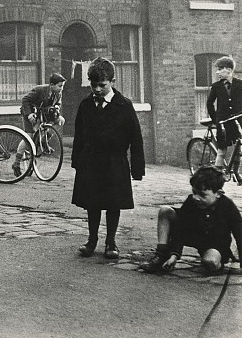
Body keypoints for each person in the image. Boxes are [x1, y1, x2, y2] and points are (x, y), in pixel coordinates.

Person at [71, 57, 145, 260]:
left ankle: (111, 241)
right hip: (91, 162)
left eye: (101, 85)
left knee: (113, 203)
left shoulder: (124, 105)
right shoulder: (86, 104)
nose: (96, 89)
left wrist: (137, 169)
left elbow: (136, 138)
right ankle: (92, 239)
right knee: (92, 203)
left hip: (115, 162)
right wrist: (77, 161)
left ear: (112, 81)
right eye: (93, 85)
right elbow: (79, 135)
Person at [140, 166, 241, 274]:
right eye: (194, 192)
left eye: (202, 195)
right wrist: (174, 255)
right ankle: (161, 255)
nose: (196, 198)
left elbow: (240, 233)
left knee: (210, 262)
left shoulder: (228, 207)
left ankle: (218, 263)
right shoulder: (191, 202)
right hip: (194, 234)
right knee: (165, 211)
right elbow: (180, 228)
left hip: (214, 242)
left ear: (218, 193)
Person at [13, 72, 66, 177]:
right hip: (31, 113)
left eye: (63, 86)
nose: (61, 88)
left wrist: (56, 109)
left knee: (61, 120)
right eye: (60, 86)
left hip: (43, 113)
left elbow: (58, 104)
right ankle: (16, 163)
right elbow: (25, 100)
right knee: (29, 136)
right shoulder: (40, 90)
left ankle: (45, 138)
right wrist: (29, 114)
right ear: (52, 85)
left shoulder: (58, 93)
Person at [206, 56, 242, 184]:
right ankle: (217, 180)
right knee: (222, 149)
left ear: (229, 70)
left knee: (238, 147)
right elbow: (209, 103)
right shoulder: (216, 86)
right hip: (222, 123)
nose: (217, 72)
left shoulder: (239, 84)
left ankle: (236, 172)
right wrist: (216, 120)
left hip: (237, 121)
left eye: (220, 69)